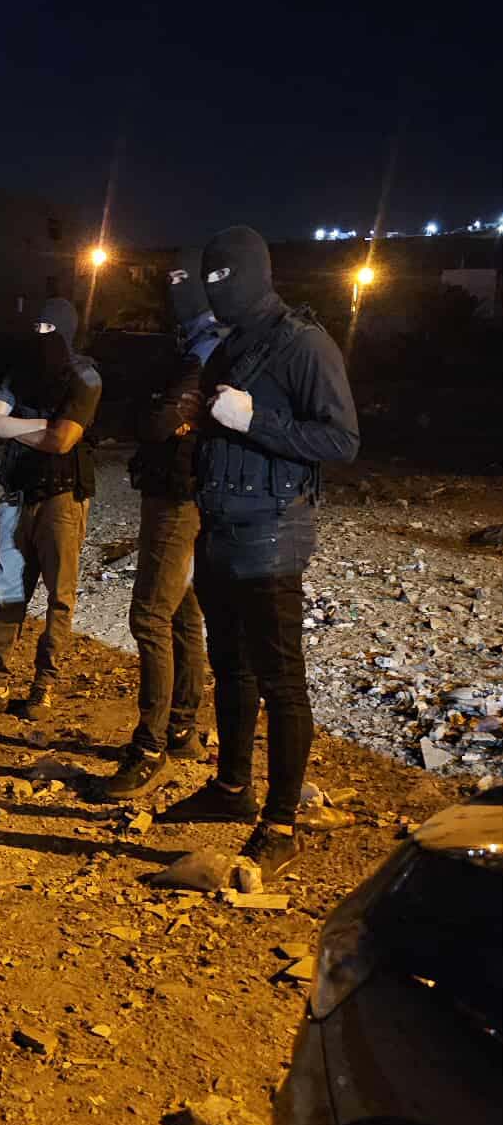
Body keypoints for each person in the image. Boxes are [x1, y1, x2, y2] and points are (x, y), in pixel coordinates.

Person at [164, 225, 359, 877]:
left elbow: (341, 441)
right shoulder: (230, 346)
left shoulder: (305, 344)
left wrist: (252, 419)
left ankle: (279, 824)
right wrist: (201, 415)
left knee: (281, 682)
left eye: (226, 277)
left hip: (273, 535)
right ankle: (231, 789)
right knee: (232, 669)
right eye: (209, 279)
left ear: (256, 273)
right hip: (219, 528)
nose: (216, 289)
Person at [83, 253, 221, 798]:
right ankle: (182, 728)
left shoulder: (201, 351)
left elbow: (159, 421)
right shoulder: (211, 344)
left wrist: (154, 410)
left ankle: (150, 745)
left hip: (177, 495)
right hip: (189, 490)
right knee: (184, 614)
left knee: (149, 616)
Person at [0, 298, 101, 724]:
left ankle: (44, 686)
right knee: (7, 595)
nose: (39, 336)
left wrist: (19, 428)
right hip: (18, 496)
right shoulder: (20, 373)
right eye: (35, 327)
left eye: (48, 329)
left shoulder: (85, 377)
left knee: (59, 598)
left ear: (65, 331)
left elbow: (64, 441)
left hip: (62, 498)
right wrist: (44, 426)